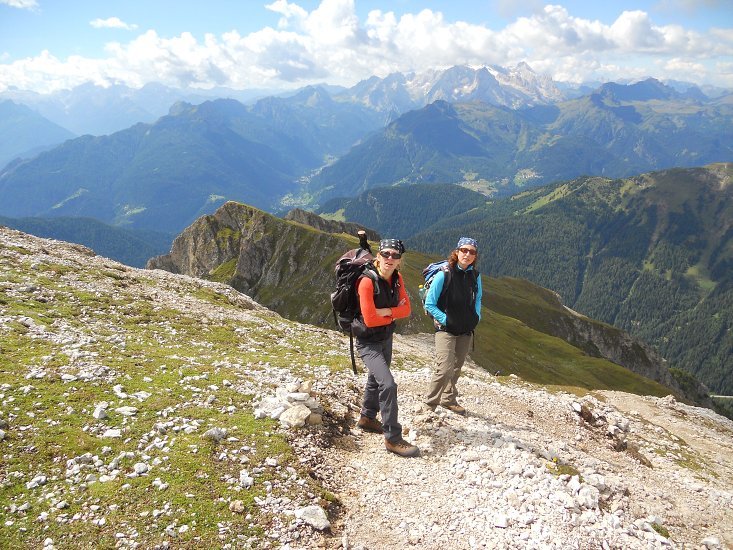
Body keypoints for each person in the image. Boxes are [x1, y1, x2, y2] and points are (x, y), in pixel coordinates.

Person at [352, 238, 419, 458]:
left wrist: (386, 312)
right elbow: (370, 320)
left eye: (395, 255)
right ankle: (393, 438)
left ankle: (367, 417)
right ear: (378, 256)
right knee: (388, 385)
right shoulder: (366, 282)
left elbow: (407, 310)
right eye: (386, 254)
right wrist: (393, 312)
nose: (390, 259)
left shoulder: (397, 279)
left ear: (400, 260)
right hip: (368, 342)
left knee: (376, 378)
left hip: (385, 338)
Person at [423, 237, 482, 416]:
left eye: (472, 252)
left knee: (456, 367)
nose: (467, 254)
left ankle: (448, 399)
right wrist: (446, 320)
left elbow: (478, 298)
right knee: (445, 368)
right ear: (456, 252)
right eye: (464, 250)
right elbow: (430, 304)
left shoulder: (476, 276)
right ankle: (429, 405)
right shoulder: (444, 274)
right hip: (445, 330)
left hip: (466, 330)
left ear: (475, 256)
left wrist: (476, 317)